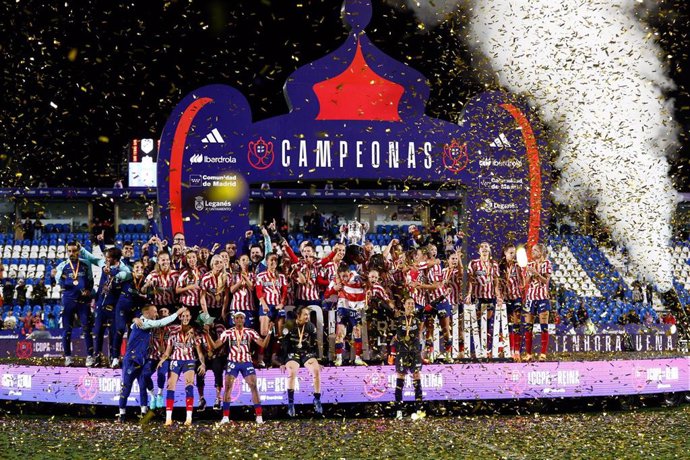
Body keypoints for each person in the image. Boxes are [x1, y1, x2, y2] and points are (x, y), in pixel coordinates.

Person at [117, 305, 186, 422]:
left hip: (142, 360)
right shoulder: (144, 322)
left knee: (142, 384)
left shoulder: (142, 322)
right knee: (126, 388)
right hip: (131, 361)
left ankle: (143, 411)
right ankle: (122, 413)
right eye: (154, 312)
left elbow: (136, 323)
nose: (156, 314)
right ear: (147, 313)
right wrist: (178, 312)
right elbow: (161, 322)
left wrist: (135, 319)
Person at [208, 311, 273, 424]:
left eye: (241, 318)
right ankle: (225, 417)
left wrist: (270, 332)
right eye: (237, 318)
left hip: (246, 361)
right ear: (234, 320)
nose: (239, 320)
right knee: (228, 387)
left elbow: (263, 344)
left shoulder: (250, 332)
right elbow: (215, 346)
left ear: (244, 320)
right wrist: (207, 334)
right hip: (233, 362)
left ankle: (259, 416)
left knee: (253, 386)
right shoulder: (228, 332)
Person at [80, 246, 131, 367]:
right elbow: (91, 258)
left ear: (115, 259)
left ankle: (114, 358)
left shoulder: (123, 268)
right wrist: (81, 249)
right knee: (97, 332)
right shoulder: (104, 264)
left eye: (108, 258)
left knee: (114, 334)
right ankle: (97, 357)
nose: (106, 259)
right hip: (100, 305)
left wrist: (112, 272)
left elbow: (126, 275)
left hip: (114, 307)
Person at [157, 309, 207, 426]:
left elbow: (199, 353)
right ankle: (168, 418)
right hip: (175, 360)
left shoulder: (195, 334)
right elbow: (168, 352)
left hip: (189, 360)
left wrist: (203, 363)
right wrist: (162, 360)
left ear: (190, 317)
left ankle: (188, 418)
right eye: (183, 316)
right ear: (179, 317)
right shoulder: (173, 333)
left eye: (187, 316)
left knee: (189, 385)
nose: (185, 318)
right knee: (170, 386)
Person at [53, 241, 95, 366]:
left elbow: (91, 280)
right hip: (68, 300)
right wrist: (57, 276)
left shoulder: (86, 264)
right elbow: (59, 281)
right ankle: (68, 357)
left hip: (83, 301)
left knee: (87, 329)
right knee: (67, 329)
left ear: (78, 251)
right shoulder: (62, 266)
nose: (72, 253)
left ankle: (90, 356)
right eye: (70, 251)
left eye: (74, 251)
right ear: (67, 251)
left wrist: (88, 290)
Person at [279, 305, 323, 417]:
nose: (307, 316)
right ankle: (291, 404)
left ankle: (317, 400)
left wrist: (317, 359)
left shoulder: (310, 326)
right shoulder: (289, 325)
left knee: (316, 370)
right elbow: (283, 344)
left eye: (308, 314)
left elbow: (314, 343)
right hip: (292, 352)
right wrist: (283, 362)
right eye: (305, 314)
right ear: (298, 316)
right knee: (292, 372)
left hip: (305, 352)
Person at [465, 242, 502, 359]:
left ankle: (487, 349)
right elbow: (470, 280)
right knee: (477, 323)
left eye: (487, 246)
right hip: (477, 297)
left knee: (488, 323)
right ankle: (477, 349)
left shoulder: (494, 264)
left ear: (490, 250)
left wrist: (498, 295)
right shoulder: (473, 263)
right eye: (482, 247)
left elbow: (496, 282)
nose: (485, 248)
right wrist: (469, 294)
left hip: (490, 296)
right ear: (479, 251)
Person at [326, 263, 367, 366]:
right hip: (343, 308)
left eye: (346, 275)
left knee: (357, 332)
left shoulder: (357, 277)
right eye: (342, 276)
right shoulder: (335, 281)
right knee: (340, 333)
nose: (344, 278)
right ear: (339, 275)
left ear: (349, 273)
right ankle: (339, 358)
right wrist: (334, 289)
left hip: (356, 308)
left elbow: (367, 283)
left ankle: (358, 358)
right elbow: (326, 294)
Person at [392, 297, 425, 420]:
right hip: (402, 352)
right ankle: (399, 411)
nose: (410, 305)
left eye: (412, 303)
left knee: (416, 377)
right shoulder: (399, 319)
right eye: (408, 303)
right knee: (400, 378)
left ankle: (419, 410)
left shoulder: (418, 318)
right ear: (404, 305)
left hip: (415, 352)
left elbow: (429, 307)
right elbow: (395, 336)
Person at [112, 260, 149, 368]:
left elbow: (148, 296)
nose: (139, 270)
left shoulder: (145, 281)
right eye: (137, 267)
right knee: (120, 329)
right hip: (123, 307)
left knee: (134, 332)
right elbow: (115, 285)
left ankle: (129, 357)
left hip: (135, 309)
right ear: (133, 269)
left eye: (141, 268)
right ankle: (115, 358)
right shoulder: (127, 277)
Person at [255, 253, 289, 366]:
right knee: (264, 332)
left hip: (277, 306)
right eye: (271, 260)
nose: (273, 262)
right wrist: (264, 304)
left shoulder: (282, 276)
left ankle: (274, 357)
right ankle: (260, 358)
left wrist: (282, 303)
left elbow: (284, 292)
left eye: (275, 260)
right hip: (266, 305)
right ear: (267, 261)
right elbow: (259, 291)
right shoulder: (261, 276)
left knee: (279, 334)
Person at [523, 243, 553, 362]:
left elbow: (546, 281)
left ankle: (543, 354)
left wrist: (536, 273)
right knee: (528, 326)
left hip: (542, 297)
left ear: (541, 252)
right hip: (530, 298)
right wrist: (529, 275)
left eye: (535, 250)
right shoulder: (529, 265)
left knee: (543, 326)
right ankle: (528, 354)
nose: (533, 252)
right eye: (532, 250)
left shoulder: (547, 264)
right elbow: (526, 283)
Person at [499, 244, 526, 361]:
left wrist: (522, 282)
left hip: (516, 297)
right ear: (505, 253)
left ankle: (516, 351)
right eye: (510, 253)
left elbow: (523, 282)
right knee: (507, 325)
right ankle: (509, 350)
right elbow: (497, 283)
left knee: (516, 323)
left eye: (514, 252)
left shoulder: (517, 266)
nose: (513, 255)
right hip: (505, 298)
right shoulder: (500, 266)